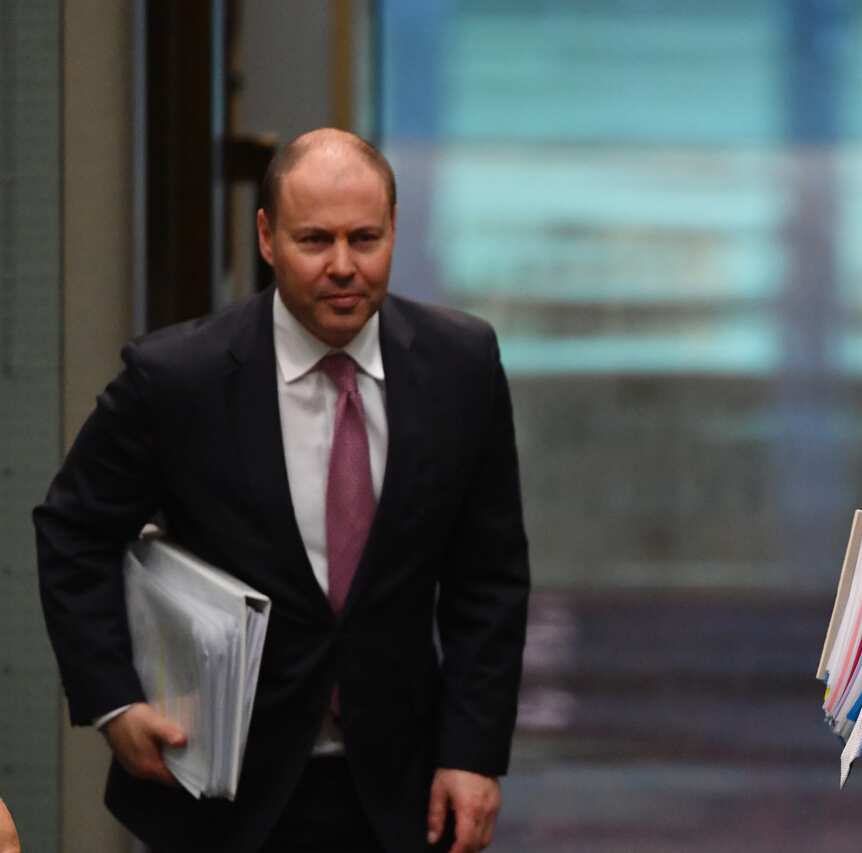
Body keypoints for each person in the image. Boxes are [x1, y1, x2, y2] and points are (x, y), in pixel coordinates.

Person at [35, 129, 530, 853]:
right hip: (218, 790)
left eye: (365, 238)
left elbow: (488, 578)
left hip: (401, 790)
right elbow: (72, 529)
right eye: (314, 240)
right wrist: (114, 699)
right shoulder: (179, 378)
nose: (342, 266)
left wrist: (473, 751)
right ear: (266, 238)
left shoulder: (462, 366)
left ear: (394, 230)